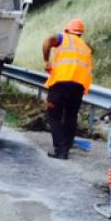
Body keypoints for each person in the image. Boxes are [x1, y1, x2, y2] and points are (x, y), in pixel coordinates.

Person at [42, 19, 93, 159]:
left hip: (60, 84)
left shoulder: (62, 38)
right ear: (81, 34)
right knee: (71, 117)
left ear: (67, 30)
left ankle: (60, 150)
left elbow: (47, 41)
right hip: (78, 87)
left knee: (54, 116)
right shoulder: (86, 48)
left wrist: (47, 61)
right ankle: (67, 148)